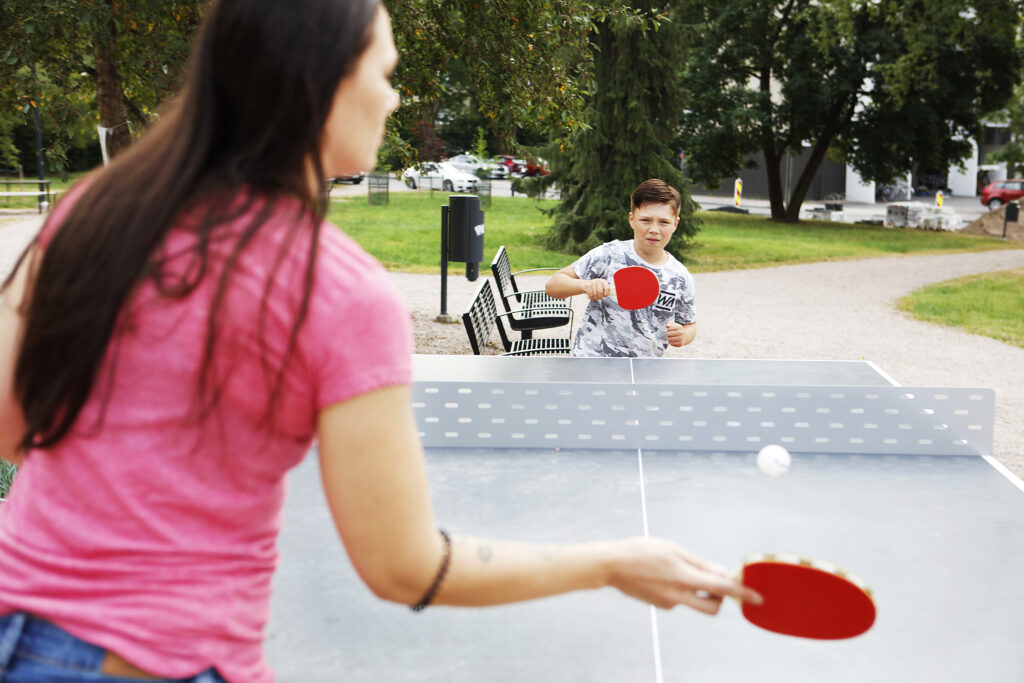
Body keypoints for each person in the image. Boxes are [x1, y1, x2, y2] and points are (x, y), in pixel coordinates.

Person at [0, 1, 759, 681]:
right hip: (147, 659)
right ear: (324, 81)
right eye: (386, 73)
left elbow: (12, 426)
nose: (394, 98)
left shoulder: (94, 210)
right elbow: (405, 566)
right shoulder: (336, 288)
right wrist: (612, 562)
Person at [545, 179, 697, 357]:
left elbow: (689, 324)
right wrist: (585, 285)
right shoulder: (609, 254)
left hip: (644, 370)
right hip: (591, 362)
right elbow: (553, 286)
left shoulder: (680, 276)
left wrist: (684, 335)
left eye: (663, 222)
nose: (654, 229)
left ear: (675, 224)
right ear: (631, 219)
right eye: (646, 220)